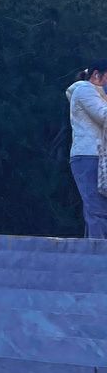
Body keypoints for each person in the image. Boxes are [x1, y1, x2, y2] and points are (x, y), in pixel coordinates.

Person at [67, 60, 107, 240]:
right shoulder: (84, 90)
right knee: (97, 208)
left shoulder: (99, 95)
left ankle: (92, 249)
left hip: (99, 156)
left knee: (98, 208)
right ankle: (98, 251)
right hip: (89, 155)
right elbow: (103, 116)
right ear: (97, 74)